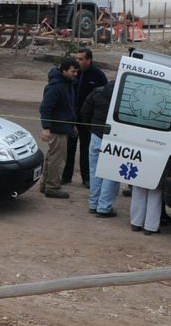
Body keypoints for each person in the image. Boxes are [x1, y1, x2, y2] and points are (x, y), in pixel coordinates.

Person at [38, 56, 79, 199]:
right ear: (64, 70)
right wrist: (46, 128)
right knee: (56, 159)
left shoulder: (67, 84)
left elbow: (68, 108)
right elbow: (45, 108)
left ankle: (46, 185)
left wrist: (71, 125)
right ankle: (53, 187)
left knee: (51, 158)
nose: (75, 74)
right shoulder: (57, 87)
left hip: (63, 127)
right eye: (73, 71)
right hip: (57, 129)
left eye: (76, 72)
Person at [66, 48, 108, 185]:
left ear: (89, 60)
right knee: (69, 148)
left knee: (87, 149)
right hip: (72, 117)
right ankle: (66, 176)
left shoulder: (98, 76)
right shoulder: (73, 74)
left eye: (81, 59)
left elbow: (104, 99)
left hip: (89, 120)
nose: (77, 61)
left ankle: (87, 178)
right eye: (76, 58)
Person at [80, 79, 120, 217]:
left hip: (96, 136)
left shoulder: (97, 92)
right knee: (111, 173)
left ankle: (93, 204)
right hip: (115, 138)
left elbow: (85, 112)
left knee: (94, 172)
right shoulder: (122, 96)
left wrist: (91, 128)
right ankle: (104, 207)